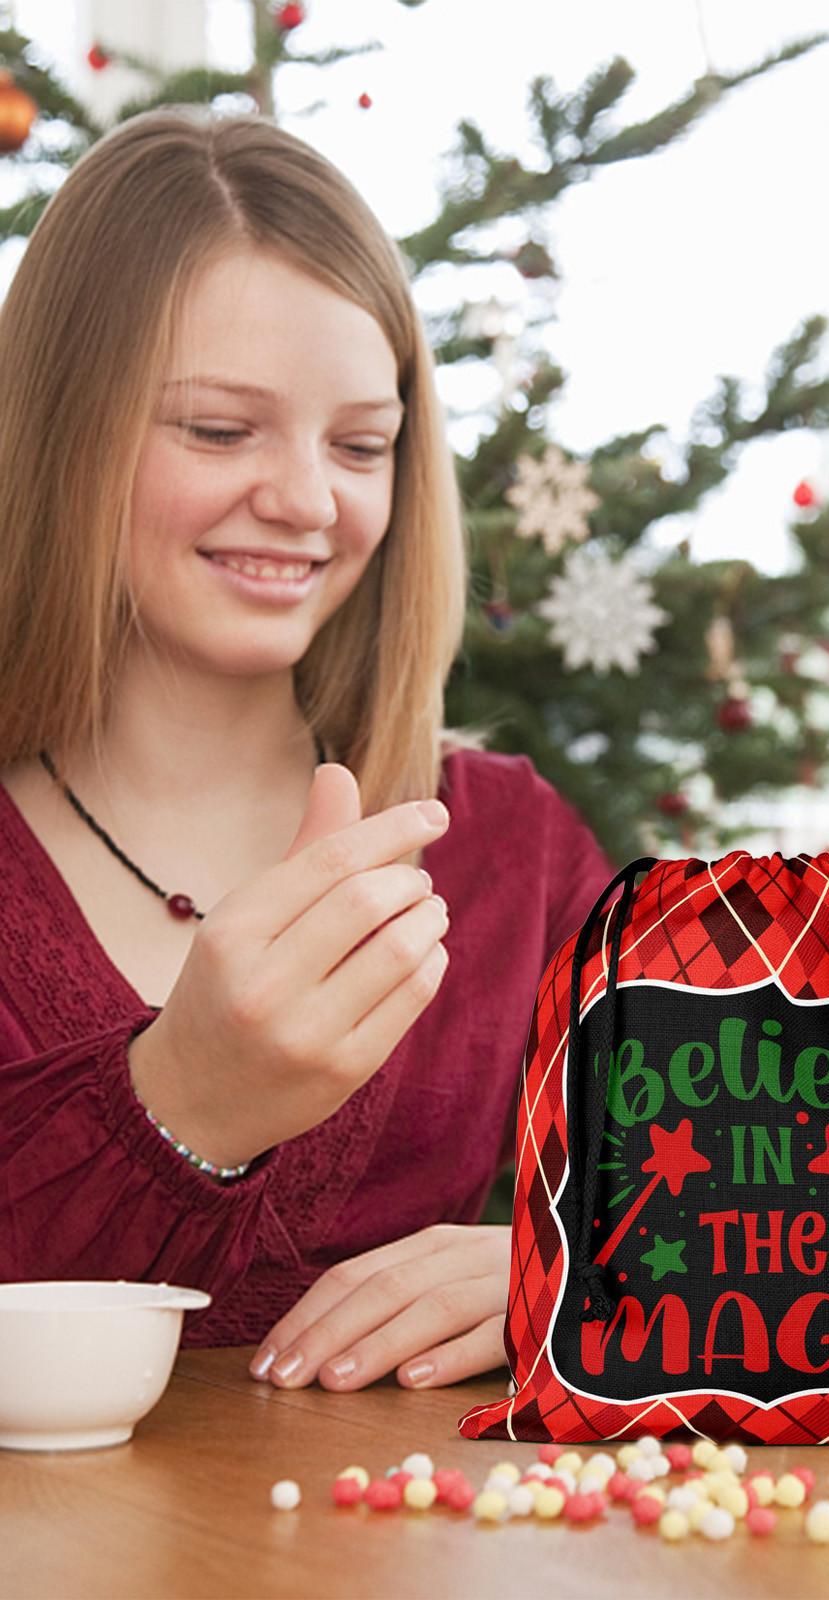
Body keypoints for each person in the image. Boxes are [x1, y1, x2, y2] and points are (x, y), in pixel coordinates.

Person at [0, 110, 613, 1395]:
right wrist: (181, 1104)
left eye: (359, 446)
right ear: (61, 433)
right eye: (220, 431)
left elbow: (780, 1207)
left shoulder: (506, 845)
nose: (308, 501)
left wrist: (567, 1267)